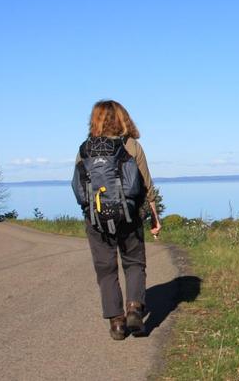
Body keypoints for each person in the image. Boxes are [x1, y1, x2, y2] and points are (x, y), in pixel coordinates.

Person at [73, 100, 162, 340]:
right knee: (134, 263)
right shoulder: (131, 145)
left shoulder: (84, 149)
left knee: (106, 269)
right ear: (123, 118)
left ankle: (117, 323)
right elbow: (146, 184)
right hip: (129, 216)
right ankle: (134, 308)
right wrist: (154, 216)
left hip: (96, 220)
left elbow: (80, 187)